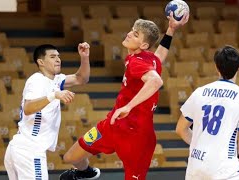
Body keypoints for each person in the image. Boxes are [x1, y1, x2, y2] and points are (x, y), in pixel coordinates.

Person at [59, 13, 189, 180]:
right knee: (71, 157)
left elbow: (156, 81)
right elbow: (160, 55)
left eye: (135, 34)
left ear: (143, 44)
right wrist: (171, 29)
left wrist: (129, 106)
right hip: (112, 125)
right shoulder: (147, 58)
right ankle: (85, 172)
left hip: (137, 136)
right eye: (132, 30)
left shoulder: (137, 62)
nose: (129, 34)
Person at [4, 43, 91, 180]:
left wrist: (84, 58)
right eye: (52, 56)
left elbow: (81, 78)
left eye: (58, 56)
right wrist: (54, 95)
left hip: (21, 148)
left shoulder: (56, 80)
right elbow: (28, 108)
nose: (58, 59)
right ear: (41, 62)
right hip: (29, 149)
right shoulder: (36, 80)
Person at [176, 45, 239, 180]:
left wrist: (201, 145)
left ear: (216, 67)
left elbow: (180, 129)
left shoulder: (199, 92)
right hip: (224, 168)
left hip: (196, 166)